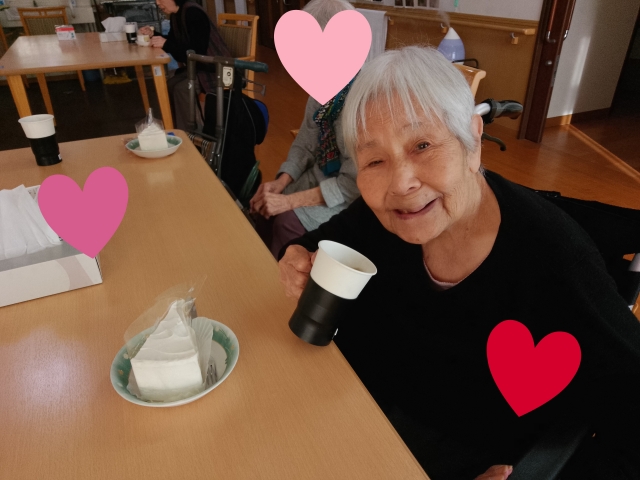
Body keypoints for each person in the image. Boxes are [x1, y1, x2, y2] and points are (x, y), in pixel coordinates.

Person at [279, 46, 640, 480]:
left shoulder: (556, 262)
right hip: (359, 414)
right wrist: (296, 256)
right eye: (374, 160)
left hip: (459, 457)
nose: (401, 182)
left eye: (423, 145)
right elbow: (324, 241)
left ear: (472, 141)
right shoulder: (386, 216)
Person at [249, 0, 360, 258]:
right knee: (263, 208)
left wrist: (289, 201)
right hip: (321, 176)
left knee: (288, 223)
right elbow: (305, 142)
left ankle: (282, 278)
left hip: (353, 197)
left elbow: (353, 185)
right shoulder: (322, 89)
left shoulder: (362, 103)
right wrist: (280, 183)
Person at [139, 0, 231, 129]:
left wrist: (166, 43)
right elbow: (176, 43)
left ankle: (190, 133)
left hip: (216, 68)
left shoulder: (194, 13)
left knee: (181, 89)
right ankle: (180, 128)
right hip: (199, 66)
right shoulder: (177, 15)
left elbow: (197, 52)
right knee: (170, 84)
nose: (157, 3)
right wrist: (154, 35)